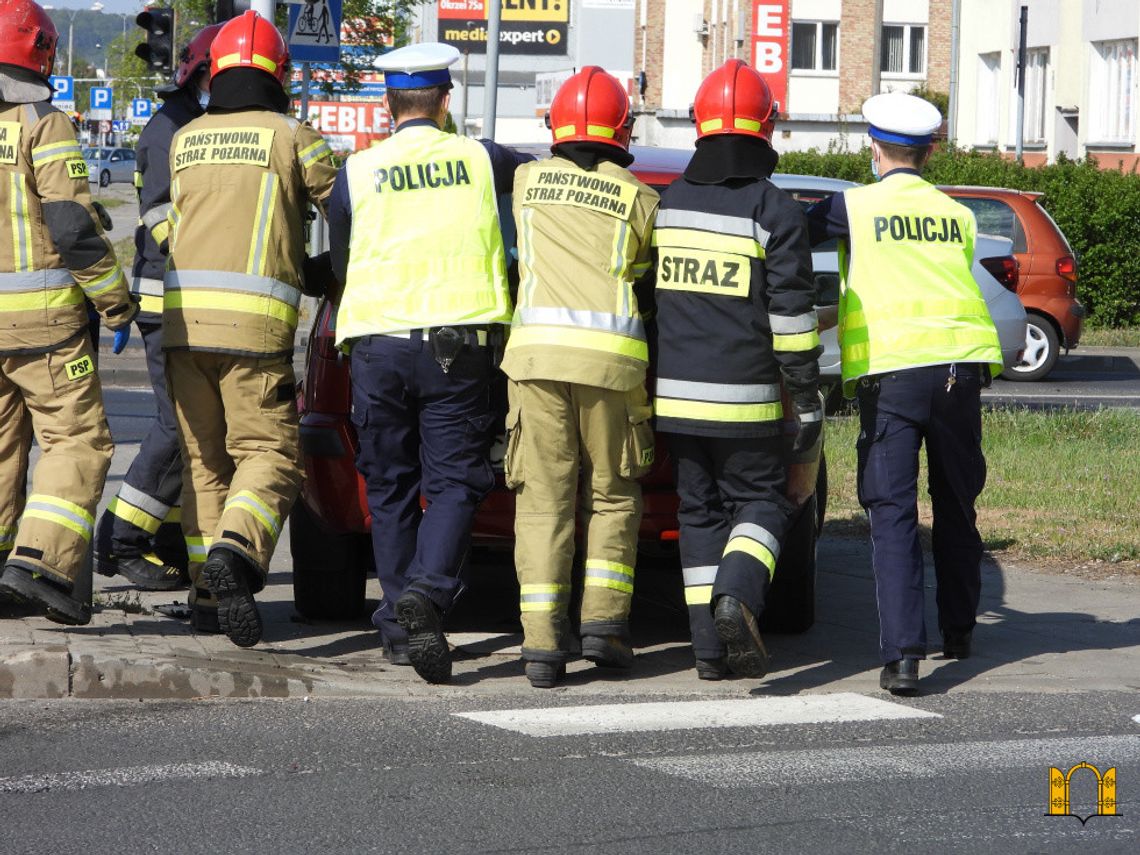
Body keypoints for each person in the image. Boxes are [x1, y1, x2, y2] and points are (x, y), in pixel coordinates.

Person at [328, 42, 530, 684]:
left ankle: (398, 626)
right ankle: (428, 591)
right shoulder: (482, 158)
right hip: (457, 349)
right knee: (456, 483)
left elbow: (340, 265)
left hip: (377, 348)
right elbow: (549, 180)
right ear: (446, 101)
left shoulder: (356, 172)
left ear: (388, 104)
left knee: (389, 486)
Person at [806, 91, 1003, 695]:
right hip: (959, 371)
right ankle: (960, 631)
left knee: (893, 513)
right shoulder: (957, 215)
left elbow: (790, 232)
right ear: (929, 154)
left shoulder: (853, 207)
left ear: (873, 148)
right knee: (956, 503)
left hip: (893, 374)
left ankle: (903, 658)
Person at [163, 10, 337, 647]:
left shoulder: (186, 138)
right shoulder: (294, 136)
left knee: (204, 464)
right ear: (279, 74)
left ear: (215, 73)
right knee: (270, 456)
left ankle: (209, 599)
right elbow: (346, 211)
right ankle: (236, 551)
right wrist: (323, 270)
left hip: (183, 329)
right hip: (254, 331)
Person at [653, 59, 822, 681]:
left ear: (699, 126)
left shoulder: (669, 204)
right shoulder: (774, 209)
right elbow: (792, 317)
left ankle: (707, 652)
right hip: (746, 400)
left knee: (698, 514)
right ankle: (738, 596)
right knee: (764, 503)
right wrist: (806, 396)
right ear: (766, 128)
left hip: (676, 403)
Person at [500, 67, 659, 689]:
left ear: (555, 127)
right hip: (612, 367)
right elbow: (643, 280)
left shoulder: (526, 181)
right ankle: (604, 627)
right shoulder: (641, 199)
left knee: (543, 502)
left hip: (536, 363)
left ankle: (542, 646)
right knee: (612, 495)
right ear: (623, 130)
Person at [0, 0, 137, 624]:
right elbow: (72, 226)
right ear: (43, 52)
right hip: (44, 324)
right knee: (77, 441)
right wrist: (115, 303)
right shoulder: (43, 123)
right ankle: (40, 566)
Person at [93, 23, 222, 604]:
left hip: (180, 298)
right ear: (201, 74)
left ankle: (164, 540)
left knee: (193, 429)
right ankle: (120, 538)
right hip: (162, 299)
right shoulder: (170, 128)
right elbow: (159, 215)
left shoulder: (188, 122)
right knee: (177, 425)